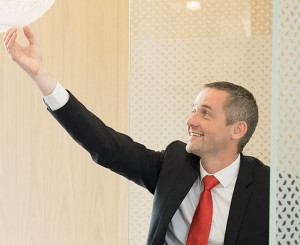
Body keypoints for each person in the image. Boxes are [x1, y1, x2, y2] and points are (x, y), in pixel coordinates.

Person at [3, 27, 269, 245]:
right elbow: (104, 144)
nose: (190, 121)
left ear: (238, 130)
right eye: (192, 111)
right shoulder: (174, 163)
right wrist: (40, 76)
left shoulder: (272, 189)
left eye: (206, 114)